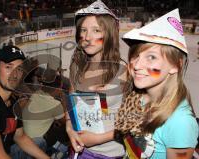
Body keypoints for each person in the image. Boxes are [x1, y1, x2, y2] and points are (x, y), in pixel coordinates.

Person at [115, 9, 199, 159]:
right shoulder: (136, 98)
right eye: (136, 56)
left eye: (151, 57)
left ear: (176, 65)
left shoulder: (180, 123)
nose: (137, 65)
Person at [66, 0, 127, 158]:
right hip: (79, 150)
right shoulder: (76, 66)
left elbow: (135, 119)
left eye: (96, 30)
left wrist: (98, 138)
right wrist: (68, 126)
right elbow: (71, 103)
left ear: (109, 33)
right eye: (84, 30)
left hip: (111, 154)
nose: (87, 37)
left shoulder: (124, 71)